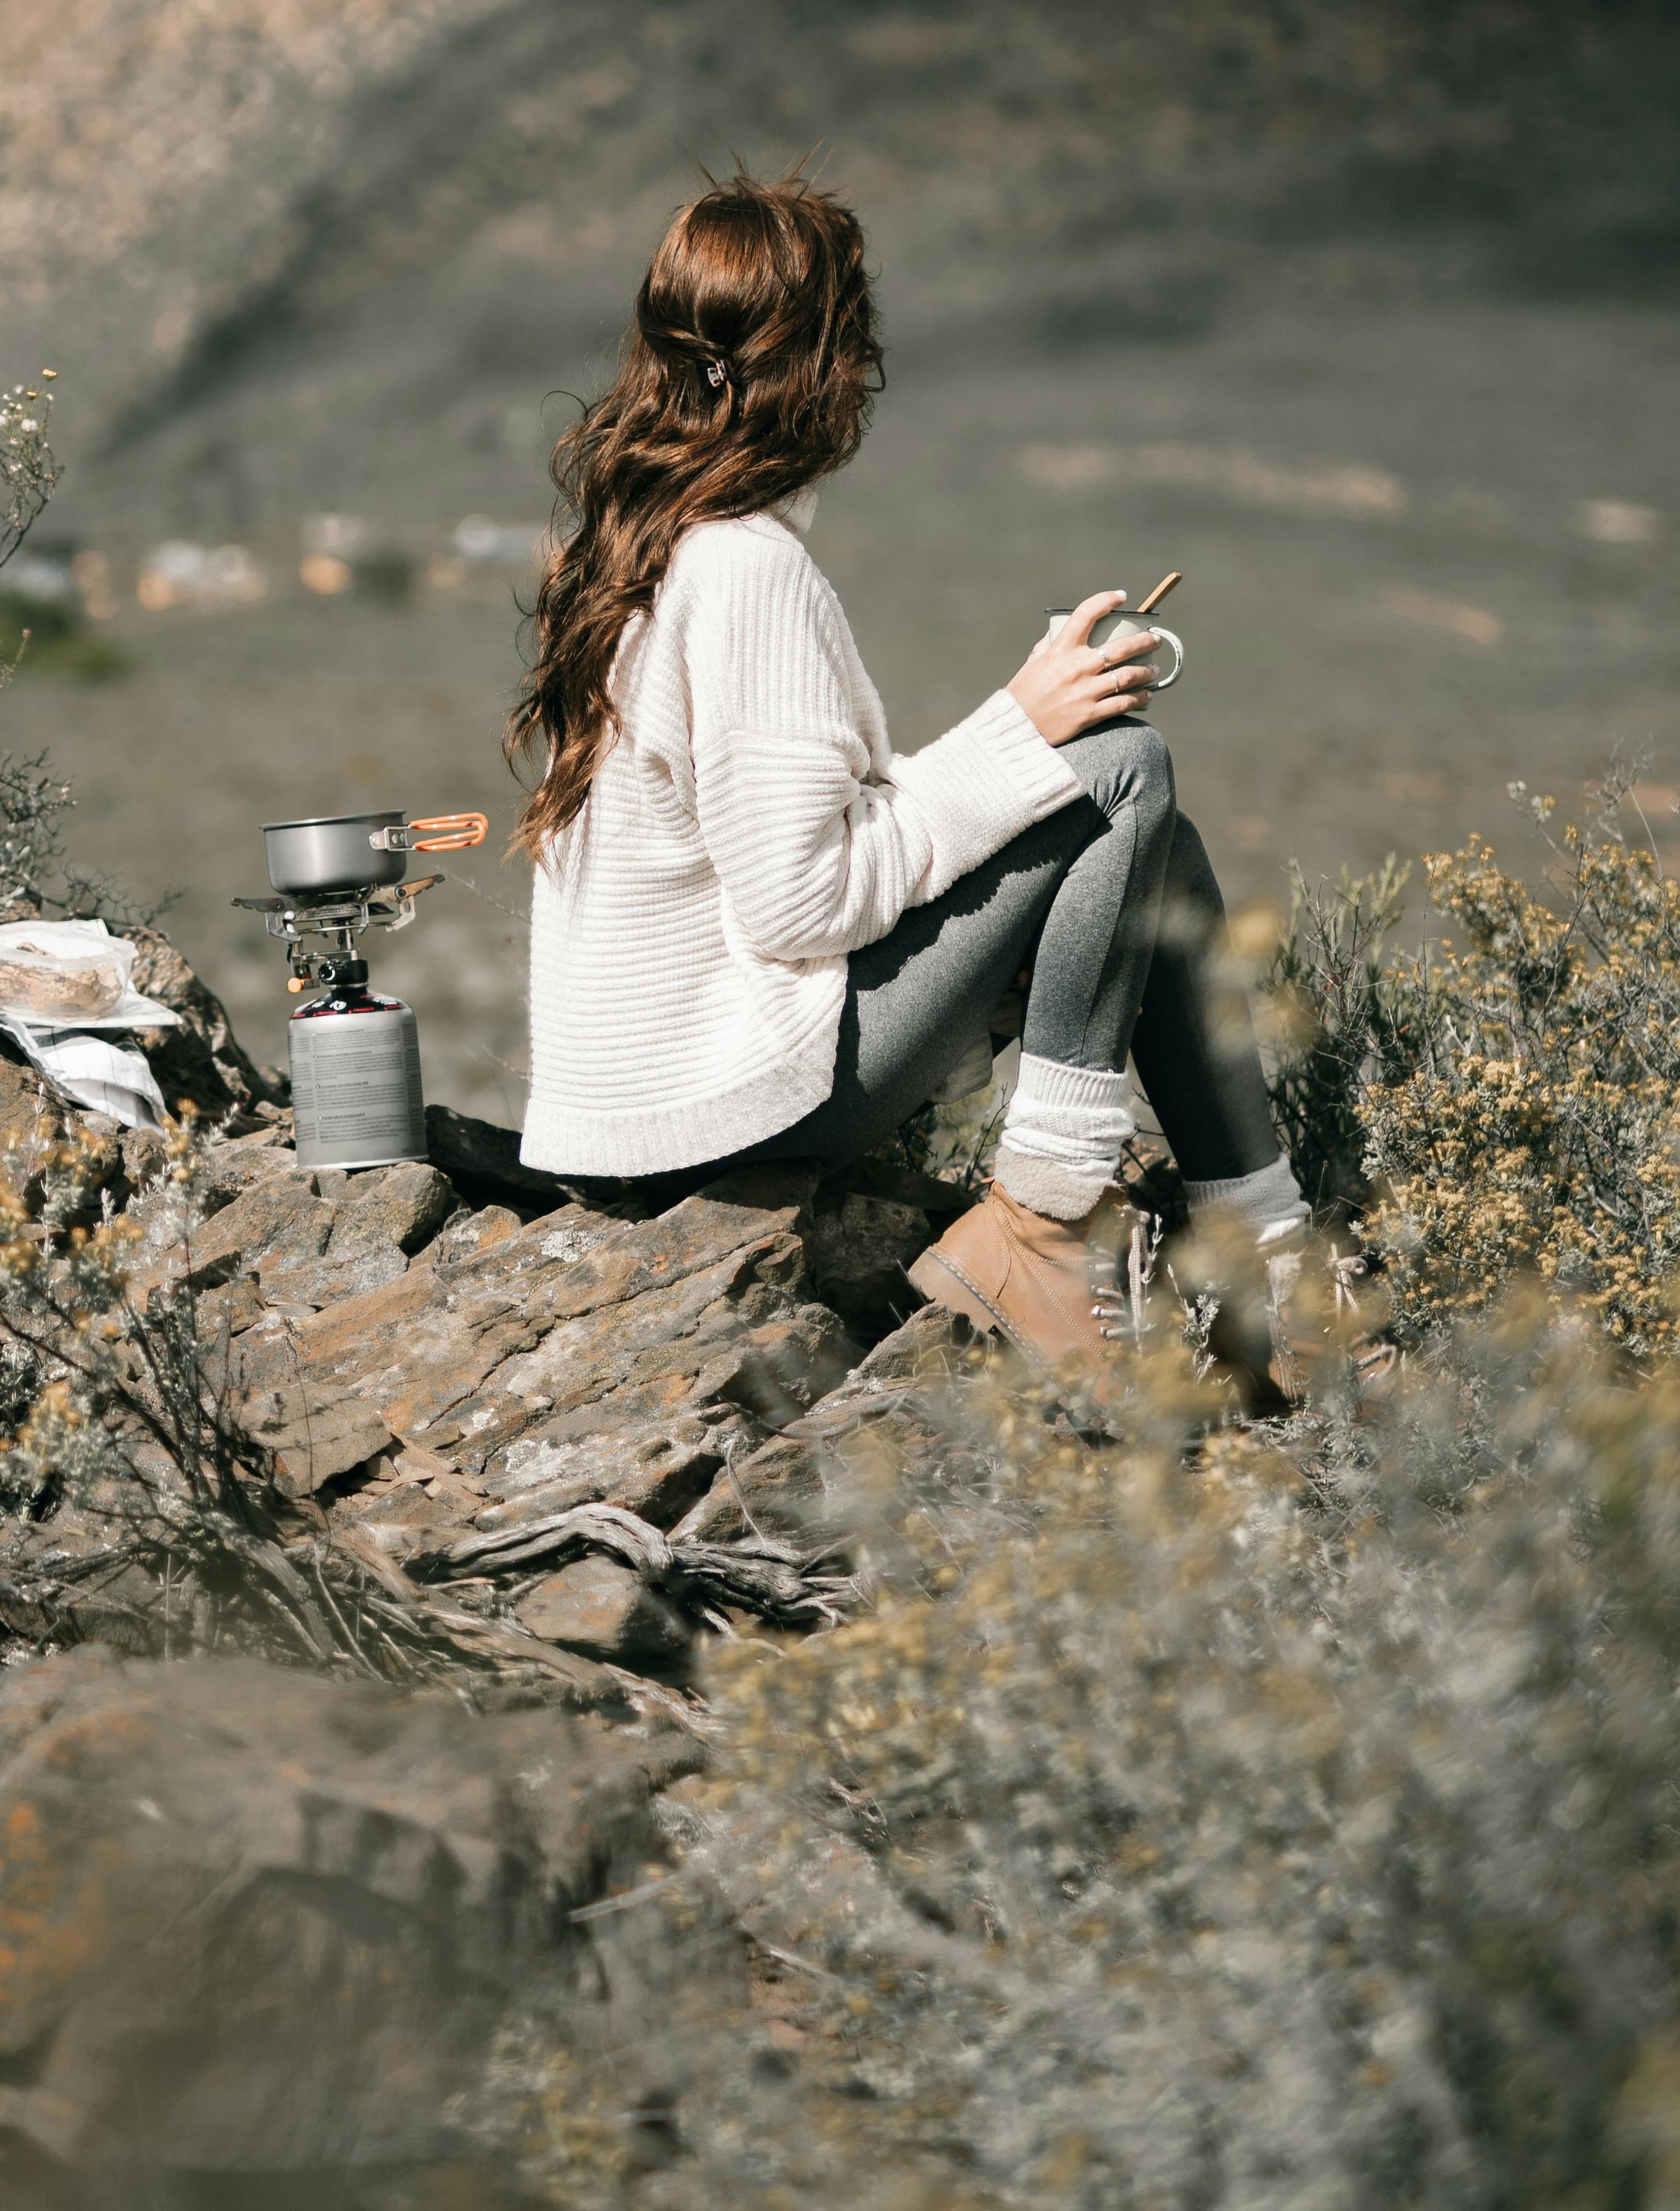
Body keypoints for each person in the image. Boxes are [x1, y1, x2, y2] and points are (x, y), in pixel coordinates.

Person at [507, 169, 1309, 1371]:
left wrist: (1019, 741)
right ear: (832, 366)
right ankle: (1043, 1226)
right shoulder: (745, 571)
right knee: (1122, 771)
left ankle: (1268, 1258)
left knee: (1151, 846)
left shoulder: (642, 549)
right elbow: (802, 905)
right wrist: (1020, 730)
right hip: (722, 1105)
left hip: (626, 1114)